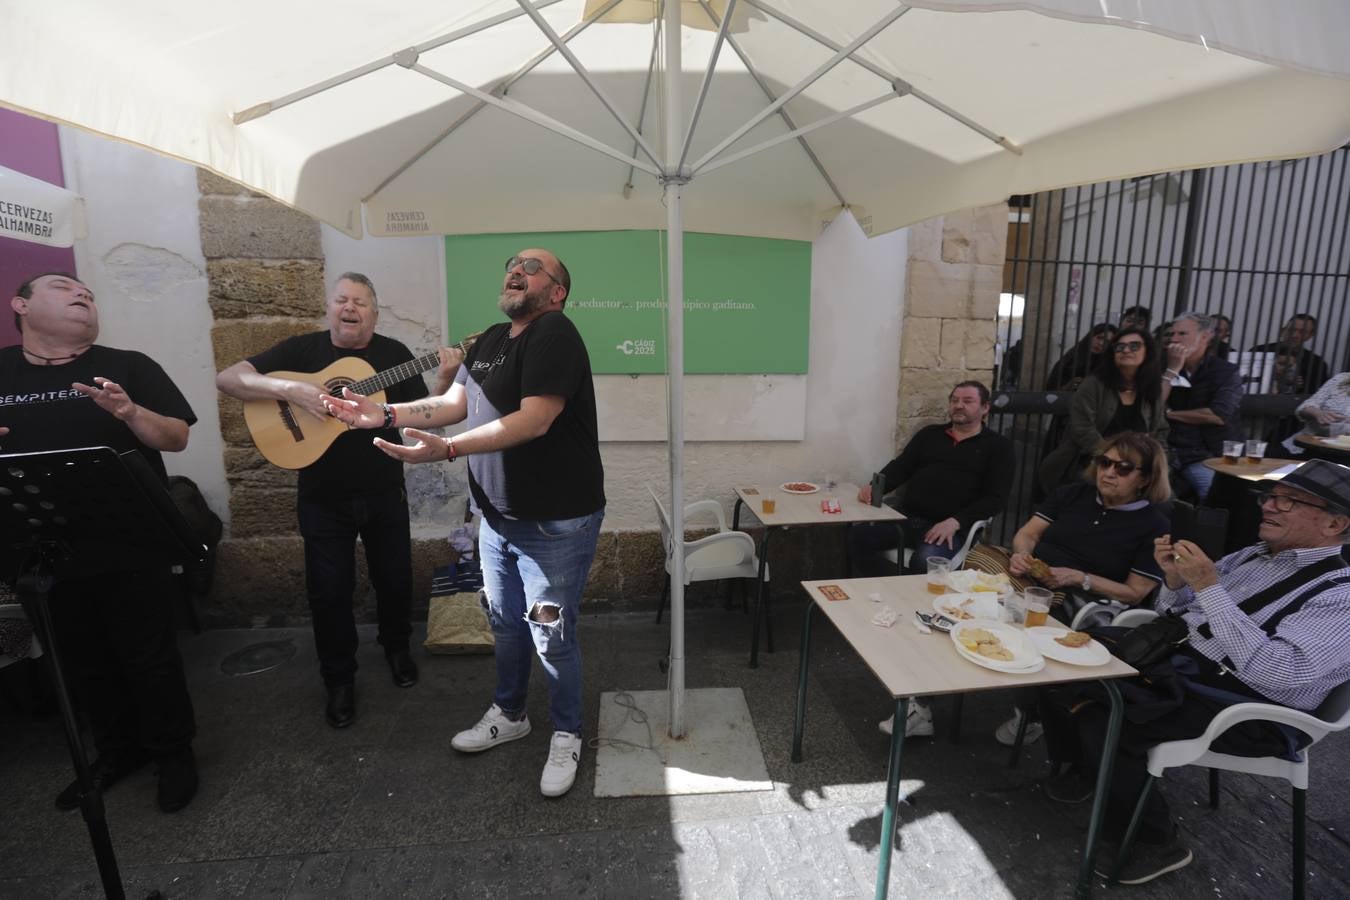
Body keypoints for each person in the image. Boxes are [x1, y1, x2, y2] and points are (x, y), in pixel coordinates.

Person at [324, 249, 605, 798]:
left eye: (532, 266)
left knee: (550, 635)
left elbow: (535, 419)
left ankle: (567, 732)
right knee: (504, 624)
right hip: (497, 521)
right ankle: (511, 712)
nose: (516, 269)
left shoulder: (556, 335)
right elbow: (453, 402)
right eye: (511, 263)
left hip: (555, 528)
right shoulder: (493, 341)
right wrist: (382, 414)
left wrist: (447, 451)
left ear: (557, 291)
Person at [1040, 459, 1350, 886]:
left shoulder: (1340, 595)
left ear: (1335, 524)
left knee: (1105, 715)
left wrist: (1207, 586)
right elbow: (1178, 611)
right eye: (1270, 497)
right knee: (1054, 664)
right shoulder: (1254, 555)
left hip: (1251, 708)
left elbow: (1278, 670)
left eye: (1288, 501)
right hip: (1185, 663)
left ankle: (1156, 842)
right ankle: (1086, 770)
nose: (1269, 507)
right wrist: (1174, 579)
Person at [0, 272, 199, 813]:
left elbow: (177, 437)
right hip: (42, 545)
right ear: (20, 304)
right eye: (64, 287)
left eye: (87, 291)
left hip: (131, 541)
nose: (82, 294)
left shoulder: (130, 366)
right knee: (81, 661)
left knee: (149, 657)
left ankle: (173, 752)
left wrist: (130, 412)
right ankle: (116, 752)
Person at [216, 272, 446, 729]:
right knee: (329, 592)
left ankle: (397, 649)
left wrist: (449, 375)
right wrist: (292, 389)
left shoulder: (394, 356)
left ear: (374, 314)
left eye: (361, 301)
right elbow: (230, 378)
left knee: (396, 579)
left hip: (383, 491)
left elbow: (422, 417)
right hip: (323, 498)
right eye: (342, 299)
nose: (350, 307)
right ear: (330, 308)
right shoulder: (303, 351)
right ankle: (338, 679)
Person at [850, 381, 1014, 739]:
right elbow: (900, 467)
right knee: (857, 537)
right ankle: (888, 599)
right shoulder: (930, 436)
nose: (959, 406)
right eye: (955, 400)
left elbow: (996, 498)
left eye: (968, 401)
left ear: (985, 408)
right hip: (909, 518)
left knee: (926, 563)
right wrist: (874, 486)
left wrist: (956, 520)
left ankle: (916, 631)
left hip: (951, 527)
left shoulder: (997, 448)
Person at [993, 432, 1172, 747]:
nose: (1110, 472)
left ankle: (1031, 709)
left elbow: (1135, 592)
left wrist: (1080, 578)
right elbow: (1027, 534)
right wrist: (1023, 554)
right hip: (1033, 579)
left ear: (1145, 478)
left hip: (1086, 599)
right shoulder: (1073, 494)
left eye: (1124, 468)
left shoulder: (1153, 525)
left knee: (1026, 616)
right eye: (1105, 462)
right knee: (975, 587)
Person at [1038, 326, 1181, 495]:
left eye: (1134, 346)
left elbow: (1160, 431)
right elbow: (1082, 429)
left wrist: (1157, 463)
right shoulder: (1094, 384)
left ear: (1147, 352)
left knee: (1164, 502)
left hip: (1138, 466)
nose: (1126, 350)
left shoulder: (1150, 389)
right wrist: (1115, 461)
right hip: (1091, 462)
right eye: (1120, 347)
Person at [1162, 312, 1243, 501]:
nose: (1174, 339)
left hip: (1209, 453)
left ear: (1205, 337)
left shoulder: (1225, 371)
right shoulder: (1161, 366)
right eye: (1171, 334)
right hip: (1168, 449)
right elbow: (1153, 406)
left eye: (1182, 334)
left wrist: (1170, 413)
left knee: (1213, 493)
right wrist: (1172, 370)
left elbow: (1217, 415)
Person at [1251, 314, 1330, 395]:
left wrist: (1299, 386)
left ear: (1310, 335)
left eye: (1302, 332)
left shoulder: (1317, 364)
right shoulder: (1258, 351)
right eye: (1291, 330)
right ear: (1282, 331)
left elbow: (1318, 395)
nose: (1294, 335)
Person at [1045, 323, 1116, 391]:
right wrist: (1068, 386)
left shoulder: (1108, 363)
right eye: (1099, 337)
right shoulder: (1072, 356)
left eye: (1107, 342)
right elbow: (1051, 389)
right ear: (1090, 336)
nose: (1101, 343)